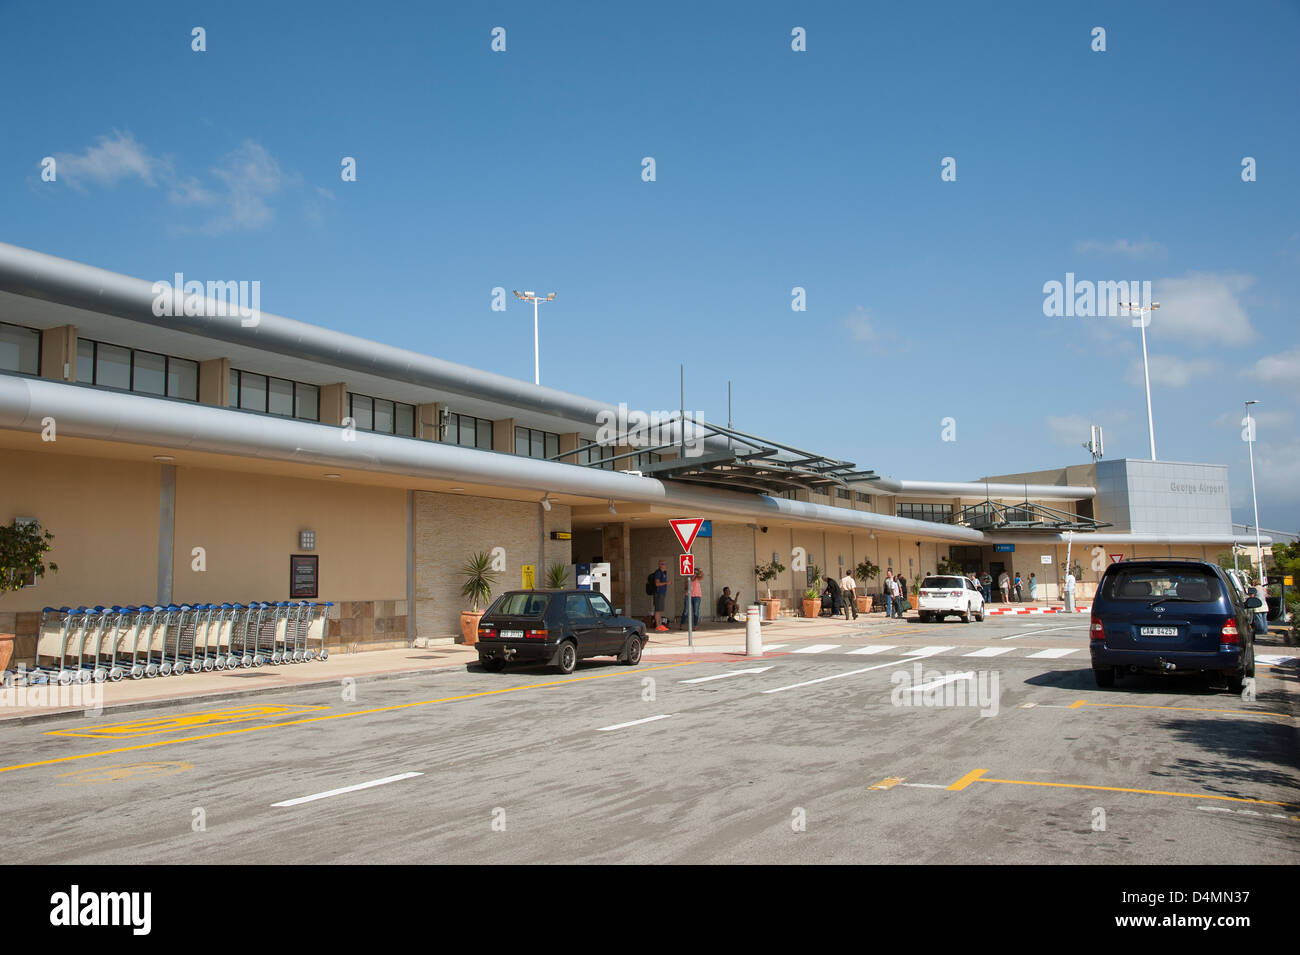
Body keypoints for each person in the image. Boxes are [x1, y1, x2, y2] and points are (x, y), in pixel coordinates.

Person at [652, 560, 669, 632]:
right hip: (658, 593)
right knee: (657, 610)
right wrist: (666, 583)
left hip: (662, 593)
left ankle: (660, 624)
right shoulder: (658, 573)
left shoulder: (663, 573)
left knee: (660, 609)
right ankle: (657, 626)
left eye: (665, 563)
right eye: (663, 564)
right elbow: (657, 583)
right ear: (660, 565)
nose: (664, 565)